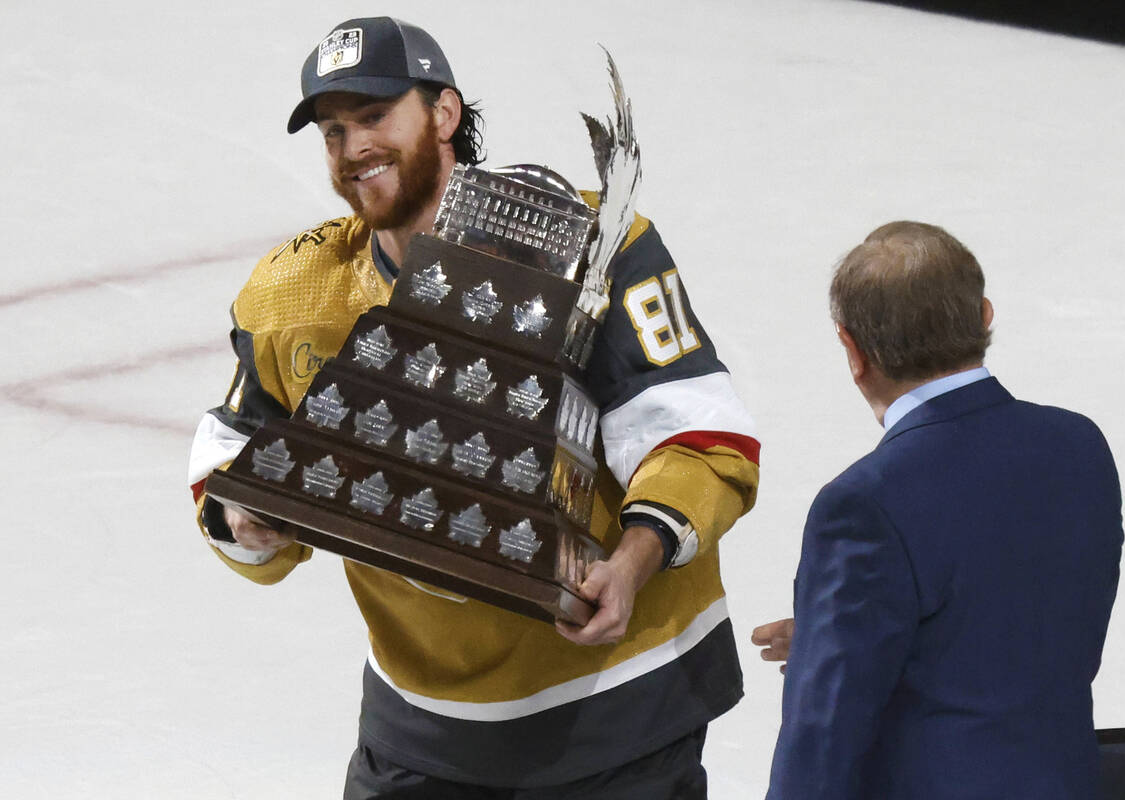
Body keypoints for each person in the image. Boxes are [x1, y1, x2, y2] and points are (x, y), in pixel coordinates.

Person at [186, 17, 760, 799]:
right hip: (423, 729)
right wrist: (243, 520)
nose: (353, 149)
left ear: (445, 115)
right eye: (332, 131)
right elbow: (225, 459)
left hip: (619, 711)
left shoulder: (592, 244)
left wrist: (631, 564)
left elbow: (702, 438)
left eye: (375, 117)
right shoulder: (295, 295)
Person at [754, 221, 1122, 799]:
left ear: (852, 351)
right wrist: (845, 635)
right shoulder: (1079, 445)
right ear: (983, 316)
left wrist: (838, 650)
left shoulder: (863, 503)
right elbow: (1023, 625)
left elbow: (820, 747)